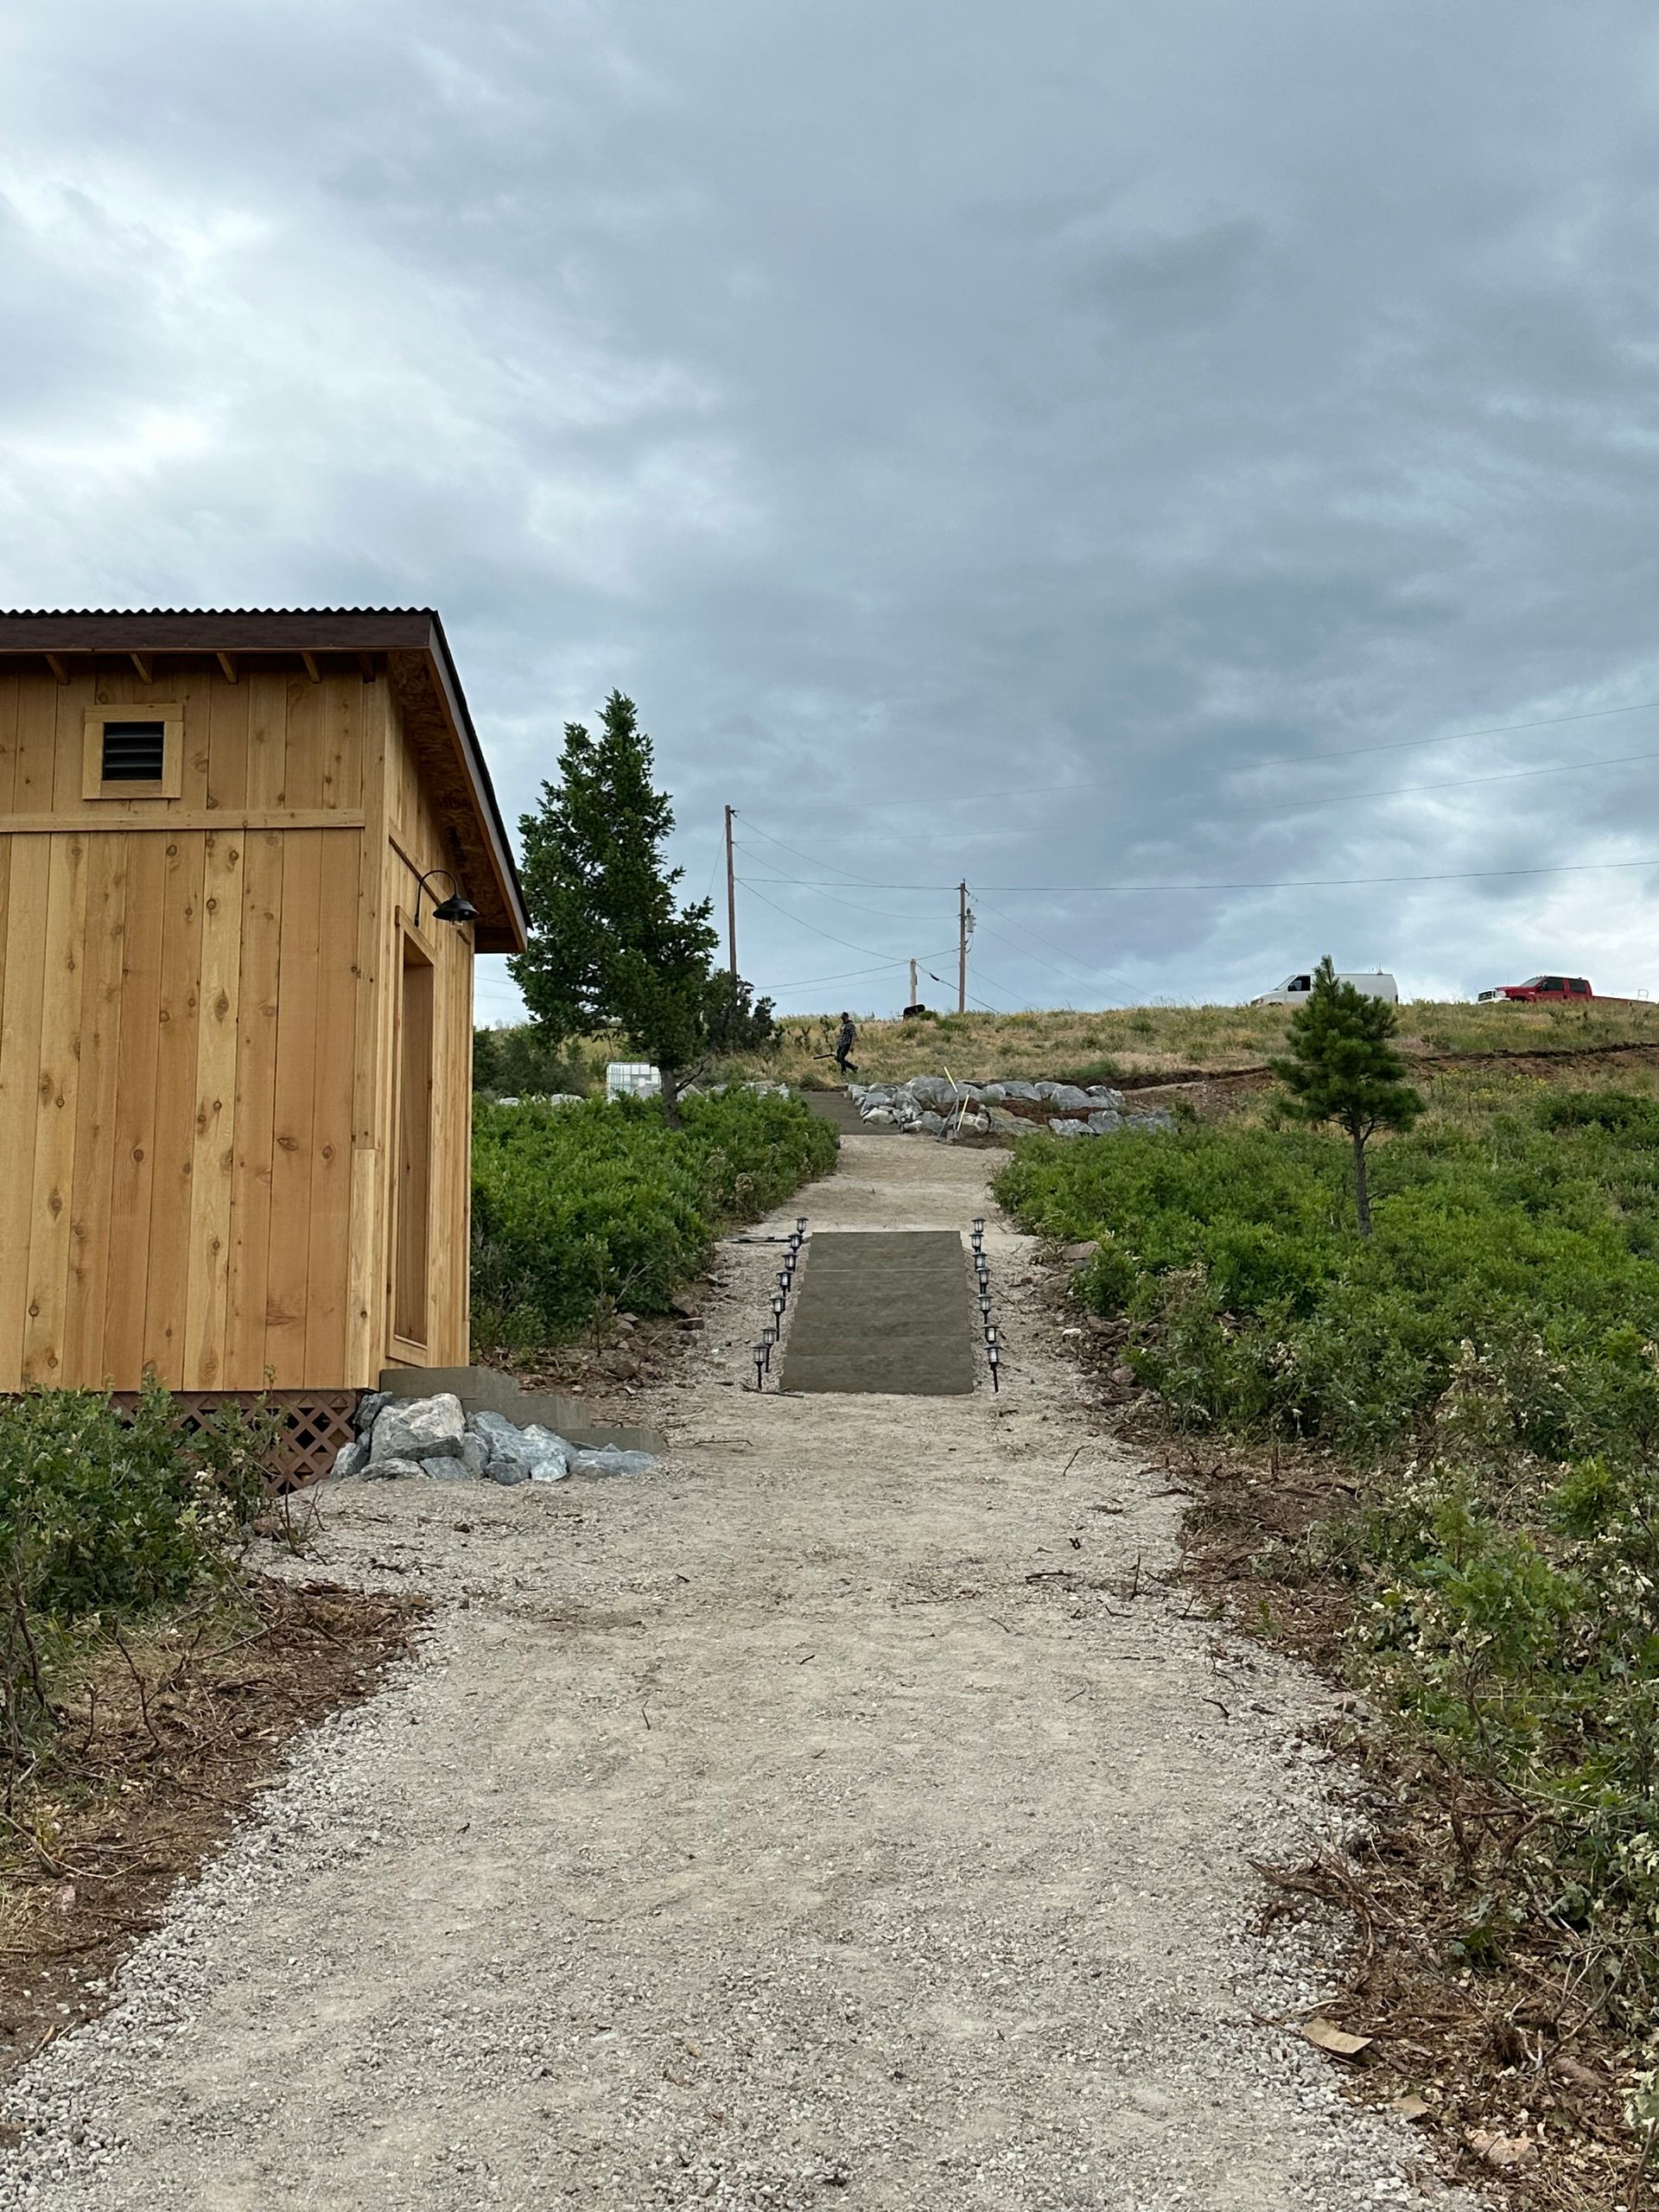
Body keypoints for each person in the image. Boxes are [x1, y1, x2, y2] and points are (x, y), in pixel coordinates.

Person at [834, 1011, 858, 1079]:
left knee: (841, 1057)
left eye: (844, 1018)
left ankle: (843, 1072)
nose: (843, 1019)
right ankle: (852, 1067)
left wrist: (852, 1045)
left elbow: (854, 1035)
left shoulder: (850, 1025)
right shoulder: (842, 1025)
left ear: (847, 1017)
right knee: (837, 1058)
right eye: (842, 1018)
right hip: (841, 1044)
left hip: (847, 1044)